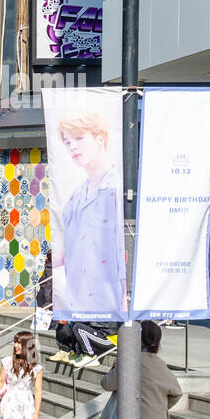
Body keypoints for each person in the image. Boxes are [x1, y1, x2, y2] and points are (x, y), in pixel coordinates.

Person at [54, 108, 126, 317]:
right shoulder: (74, 198)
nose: (72, 147)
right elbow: (71, 248)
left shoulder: (116, 189)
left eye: (79, 138)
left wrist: (124, 299)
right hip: (76, 304)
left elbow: (122, 248)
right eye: (67, 141)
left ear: (100, 139)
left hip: (107, 304)